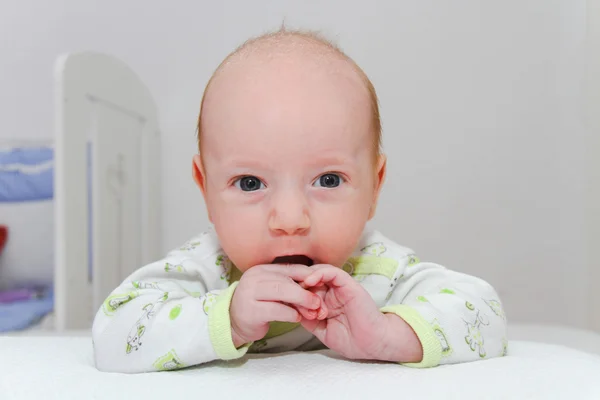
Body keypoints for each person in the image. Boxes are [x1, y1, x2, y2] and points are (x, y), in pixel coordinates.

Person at [92, 28, 507, 373]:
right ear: (206, 190)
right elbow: (112, 332)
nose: (290, 219)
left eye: (328, 180)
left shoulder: (377, 269)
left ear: (374, 187)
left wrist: (387, 334)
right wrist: (228, 317)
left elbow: (484, 312)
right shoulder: (205, 271)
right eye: (250, 183)